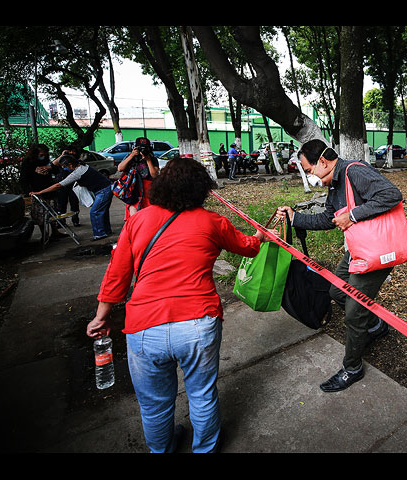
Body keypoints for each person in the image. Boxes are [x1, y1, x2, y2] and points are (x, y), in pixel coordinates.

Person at [85, 156, 275, 453]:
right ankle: (205, 449)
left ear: (160, 185)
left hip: (144, 328)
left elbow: (117, 276)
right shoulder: (214, 222)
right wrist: (261, 236)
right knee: (202, 394)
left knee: (154, 405)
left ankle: (161, 449)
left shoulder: (138, 221)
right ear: (202, 189)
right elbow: (248, 248)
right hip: (198, 324)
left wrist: (101, 318)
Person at [276, 139, 402, 393]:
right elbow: (328, 218)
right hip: (357, 248)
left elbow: (392, 195)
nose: (310, 176)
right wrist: (294, 217)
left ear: (322, 162)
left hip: (377, 251)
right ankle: (376, 326)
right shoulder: (334, 184)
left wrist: (353, 215)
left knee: (354, 311)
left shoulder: (354, 171)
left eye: (309, 170)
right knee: (335, 290)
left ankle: (352, 368)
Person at [30, 154, 113, 242]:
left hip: (103, 190)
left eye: (64, 166)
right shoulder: (82, 166)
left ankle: (99, 234)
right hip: (106, 188)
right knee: (101, 211)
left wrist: (40, 192)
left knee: (95, 212)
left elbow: (58, 185)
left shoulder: (77, 172)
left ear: (70, 165)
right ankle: (106, 231)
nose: (64, 169)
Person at [19, 143, 68, 242]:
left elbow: (55, 170)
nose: (43, 156)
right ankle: (44, 235)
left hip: (49, 189)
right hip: (37, 191)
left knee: (52, 212)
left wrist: (50, 168)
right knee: (40, 215)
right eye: (41, 154)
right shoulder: (28, 163)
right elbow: (23, 179)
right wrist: (28, 191)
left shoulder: (46, 161)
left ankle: (55, 232)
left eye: (44, 154)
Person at [117, 137, 160, 219]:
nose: (142, 150)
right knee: (134, 216)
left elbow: (154, 175)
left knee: (149, 215)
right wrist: (132, 155)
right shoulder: (131, 157)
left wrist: (148, 160)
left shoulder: (152, 159)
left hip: (148, 190)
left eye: (145, 148)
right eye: (140, 148)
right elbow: (120, 168)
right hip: (134, 190)